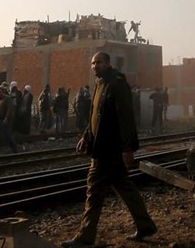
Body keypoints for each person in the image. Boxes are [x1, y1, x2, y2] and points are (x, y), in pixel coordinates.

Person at [63, 52, 156, 247]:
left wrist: (128, 148)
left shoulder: (117, 84)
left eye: (99, 62)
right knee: (124, 186)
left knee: (94, 190)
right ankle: (145, 224)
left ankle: (85, 237)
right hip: (101, 145)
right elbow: (95, 115)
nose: (95, 66)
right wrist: (87, 136)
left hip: (109, 148)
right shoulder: (99, 84)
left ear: (108, 63)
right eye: (93, 63)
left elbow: (126, 118)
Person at [0, 86, 18, 154]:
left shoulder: (7, 99)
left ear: (3, 92)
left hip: (5, 120)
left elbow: (9, 109)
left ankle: (14, 148)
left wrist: (7, 117)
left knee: (8, 136)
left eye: (0, 92)